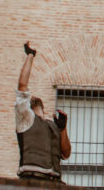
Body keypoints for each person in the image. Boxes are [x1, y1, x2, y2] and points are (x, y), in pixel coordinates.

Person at [14, 42, 70, 181]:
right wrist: (30, 55)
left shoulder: (53, 125)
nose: (32, 97)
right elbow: (22, 86)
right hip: (32, 180)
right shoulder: (26, 119)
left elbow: (66, 153)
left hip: (54, 182)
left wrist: (63, 129)